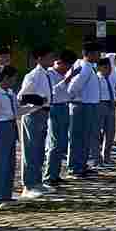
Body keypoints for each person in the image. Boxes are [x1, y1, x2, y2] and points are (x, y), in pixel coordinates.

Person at [0, 66, 37, 207]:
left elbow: (16, 111)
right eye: (13, 78)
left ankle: (4, 195)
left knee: (8, 163)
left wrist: (35, 107)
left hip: (10, 128)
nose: (14, 81)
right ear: (5, 78)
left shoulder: (10, 93)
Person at [16, 48, 56, 198]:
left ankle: (37, 182)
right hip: (33, 114)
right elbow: (22, 97)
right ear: (39, 58)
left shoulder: (46, 74)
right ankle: (28, 185)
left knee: (39, 150)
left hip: (44, 114)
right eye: (49, 56)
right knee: (31, 150)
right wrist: (40, 100)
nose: (52, 59)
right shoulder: (33, 75)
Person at [66, 42, 102, 179]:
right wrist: (74, 99)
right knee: (78, 138)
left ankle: (81, 165)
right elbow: (74, 87)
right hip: (82, 106)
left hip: (88, 105)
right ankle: (75, 167)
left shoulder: (89, 66)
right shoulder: (84, 67)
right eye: (97, 53)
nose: (99, 56)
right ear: (90, 54)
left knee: (85, 137)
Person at [44, 51, 73, 188]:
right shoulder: (50, 74)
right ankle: (49, 176)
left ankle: (55, 174)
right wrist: (67, 79)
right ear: (59, 62)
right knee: (54, 143)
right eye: (67, 66)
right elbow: (52, 91)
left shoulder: (62, 74)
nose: (67, 69)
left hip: (64, 106)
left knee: (61, 143)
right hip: (55, 107)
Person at [94, 55, 116, 168]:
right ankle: (97, 158)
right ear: (100, 68)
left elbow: (112, 92)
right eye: (106, 68)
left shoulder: (110, 79)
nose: (109, 70)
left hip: (111, 105)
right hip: (100, 105)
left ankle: (107, 156)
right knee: (97, 133)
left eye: (110, 68)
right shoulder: (96, 79)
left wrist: (115, 100)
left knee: (110, 132)